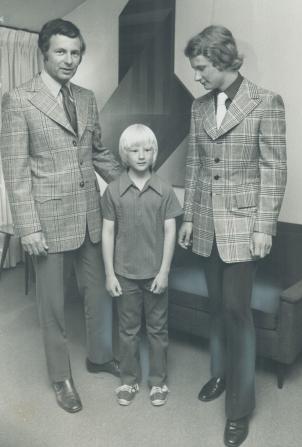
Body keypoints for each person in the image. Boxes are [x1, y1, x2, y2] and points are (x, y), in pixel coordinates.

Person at [0, 18, 122, 413]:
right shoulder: (19, 99)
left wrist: (132, 186)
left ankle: (99, 356)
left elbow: (97, 152)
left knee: (100, 293)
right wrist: (28, 227)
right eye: (61, 52)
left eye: (75, 53)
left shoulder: (85, 97)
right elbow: (15, 171)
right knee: (52, 305)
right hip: (47, 223)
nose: (70, 60)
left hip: (89, 215)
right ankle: (61, 377)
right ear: (43, 53)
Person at [178, 25, 287, 447]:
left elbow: (274, 170)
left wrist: (264, 227)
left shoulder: (266, 102)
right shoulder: (198, 106)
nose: (197, 75)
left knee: (238, 314)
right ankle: (220, 374)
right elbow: (194, 164)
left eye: (201, 67)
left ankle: (239, 410)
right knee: (218, 309)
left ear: (222, 60)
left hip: (244, 227)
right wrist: (189, 218)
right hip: (206, 224)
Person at [101, 124, 183, 406]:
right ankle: (128, 380)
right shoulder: (113, 191)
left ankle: (158, 382)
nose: (141, 155)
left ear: (154, 153)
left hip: (155, 275)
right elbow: (108, 232)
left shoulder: (165, 190)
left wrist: (164, 271)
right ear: (124, 154)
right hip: (124, 274)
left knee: (158, 330)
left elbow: (171, 232)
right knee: (128, 330)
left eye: (147, 149)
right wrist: (110, 274)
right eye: (134, 150)